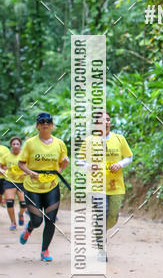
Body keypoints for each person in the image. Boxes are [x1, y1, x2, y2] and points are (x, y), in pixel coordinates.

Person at [77, 110, 133, 261]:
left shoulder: (119, 139)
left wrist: (120, 164)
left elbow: (129, 157)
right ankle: (101, 249)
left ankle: (98, 230)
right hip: (96, 185)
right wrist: (89, 166)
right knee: (103, 212)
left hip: (116, 185)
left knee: (113, 217)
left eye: (108, 120)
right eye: (102, 120)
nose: (106, 123)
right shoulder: (89, 141)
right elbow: (80, 161)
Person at [18, 112, 68, 262]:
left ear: (52, 126)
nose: (45, 124)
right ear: (37, 126)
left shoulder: (59, 144)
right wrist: (30, 173)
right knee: (37, 221)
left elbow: (61, 165)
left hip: (52, 185)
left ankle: (44, 250)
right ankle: (29, 228)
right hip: (32, 186)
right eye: (42, 122)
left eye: (48, 122)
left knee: (50, 220)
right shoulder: (30, 143)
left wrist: (63, 166)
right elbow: (21, 163)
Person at [0, 136, 27, 230]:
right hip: (10, 181)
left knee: (24, 204)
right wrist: (1, 170)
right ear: (11, 145)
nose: (15, 146)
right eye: (13, 144)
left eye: (17, 144)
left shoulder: (24, 155)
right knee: (9, 202)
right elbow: (1, 166)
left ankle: (20, 214)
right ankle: (13, 222)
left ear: (20, 145)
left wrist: (26, 172)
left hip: (22, 182)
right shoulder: (6, 156)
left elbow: (30, 167)